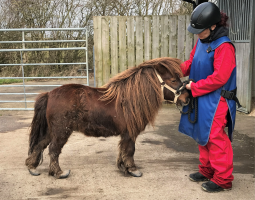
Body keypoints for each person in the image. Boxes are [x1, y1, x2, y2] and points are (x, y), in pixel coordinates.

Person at [178, 2, 239, 193]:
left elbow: (220, 77)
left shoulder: (224, 47)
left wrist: (194, 87)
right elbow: (191, 62)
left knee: (215, 138)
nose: (197, 34)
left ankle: (223, 179)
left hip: (217, 100)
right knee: (201, 134)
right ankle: (207, 170)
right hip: (200, 96)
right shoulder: (202, 42)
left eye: (200, 30)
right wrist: (173, 68)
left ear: (213, 26)